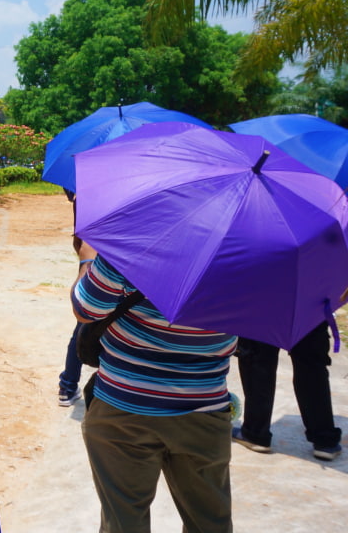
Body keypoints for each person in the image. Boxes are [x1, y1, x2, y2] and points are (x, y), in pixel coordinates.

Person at [72, 244, 237, 532]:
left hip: (123, 406)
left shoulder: (134, 243)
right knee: (209, 521)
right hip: (204, 410)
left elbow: (86, 309)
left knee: (123, 520)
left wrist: (87, 258)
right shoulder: (255, 256)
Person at [232, 323, 342, 461]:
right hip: (307, 305)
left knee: (258, 357)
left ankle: (255, 433)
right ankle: (324, 440)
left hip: (262, 305)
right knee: (310, 362)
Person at [57, 188, 83, 407]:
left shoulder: (85, 194)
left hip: (95, 264)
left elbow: (78, 241)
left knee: (83, 324)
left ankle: (68, 385)